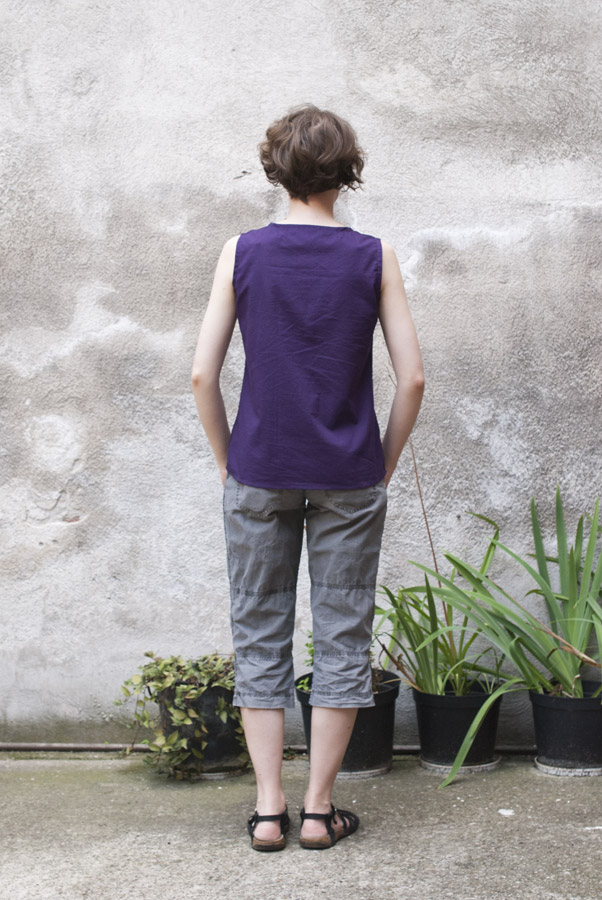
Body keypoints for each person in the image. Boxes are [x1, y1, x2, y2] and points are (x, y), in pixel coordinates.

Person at [191, 104, 424, 851]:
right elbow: (413, 379)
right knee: (343, 631)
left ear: (275, 167)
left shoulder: (242, 252)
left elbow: (201, 374)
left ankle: (268, 810)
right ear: (346, 170)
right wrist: (378, 463)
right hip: (348, 474)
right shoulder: (373, 255)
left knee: (259, 628)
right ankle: (320, 811)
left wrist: (230, 461)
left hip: (259, 468)